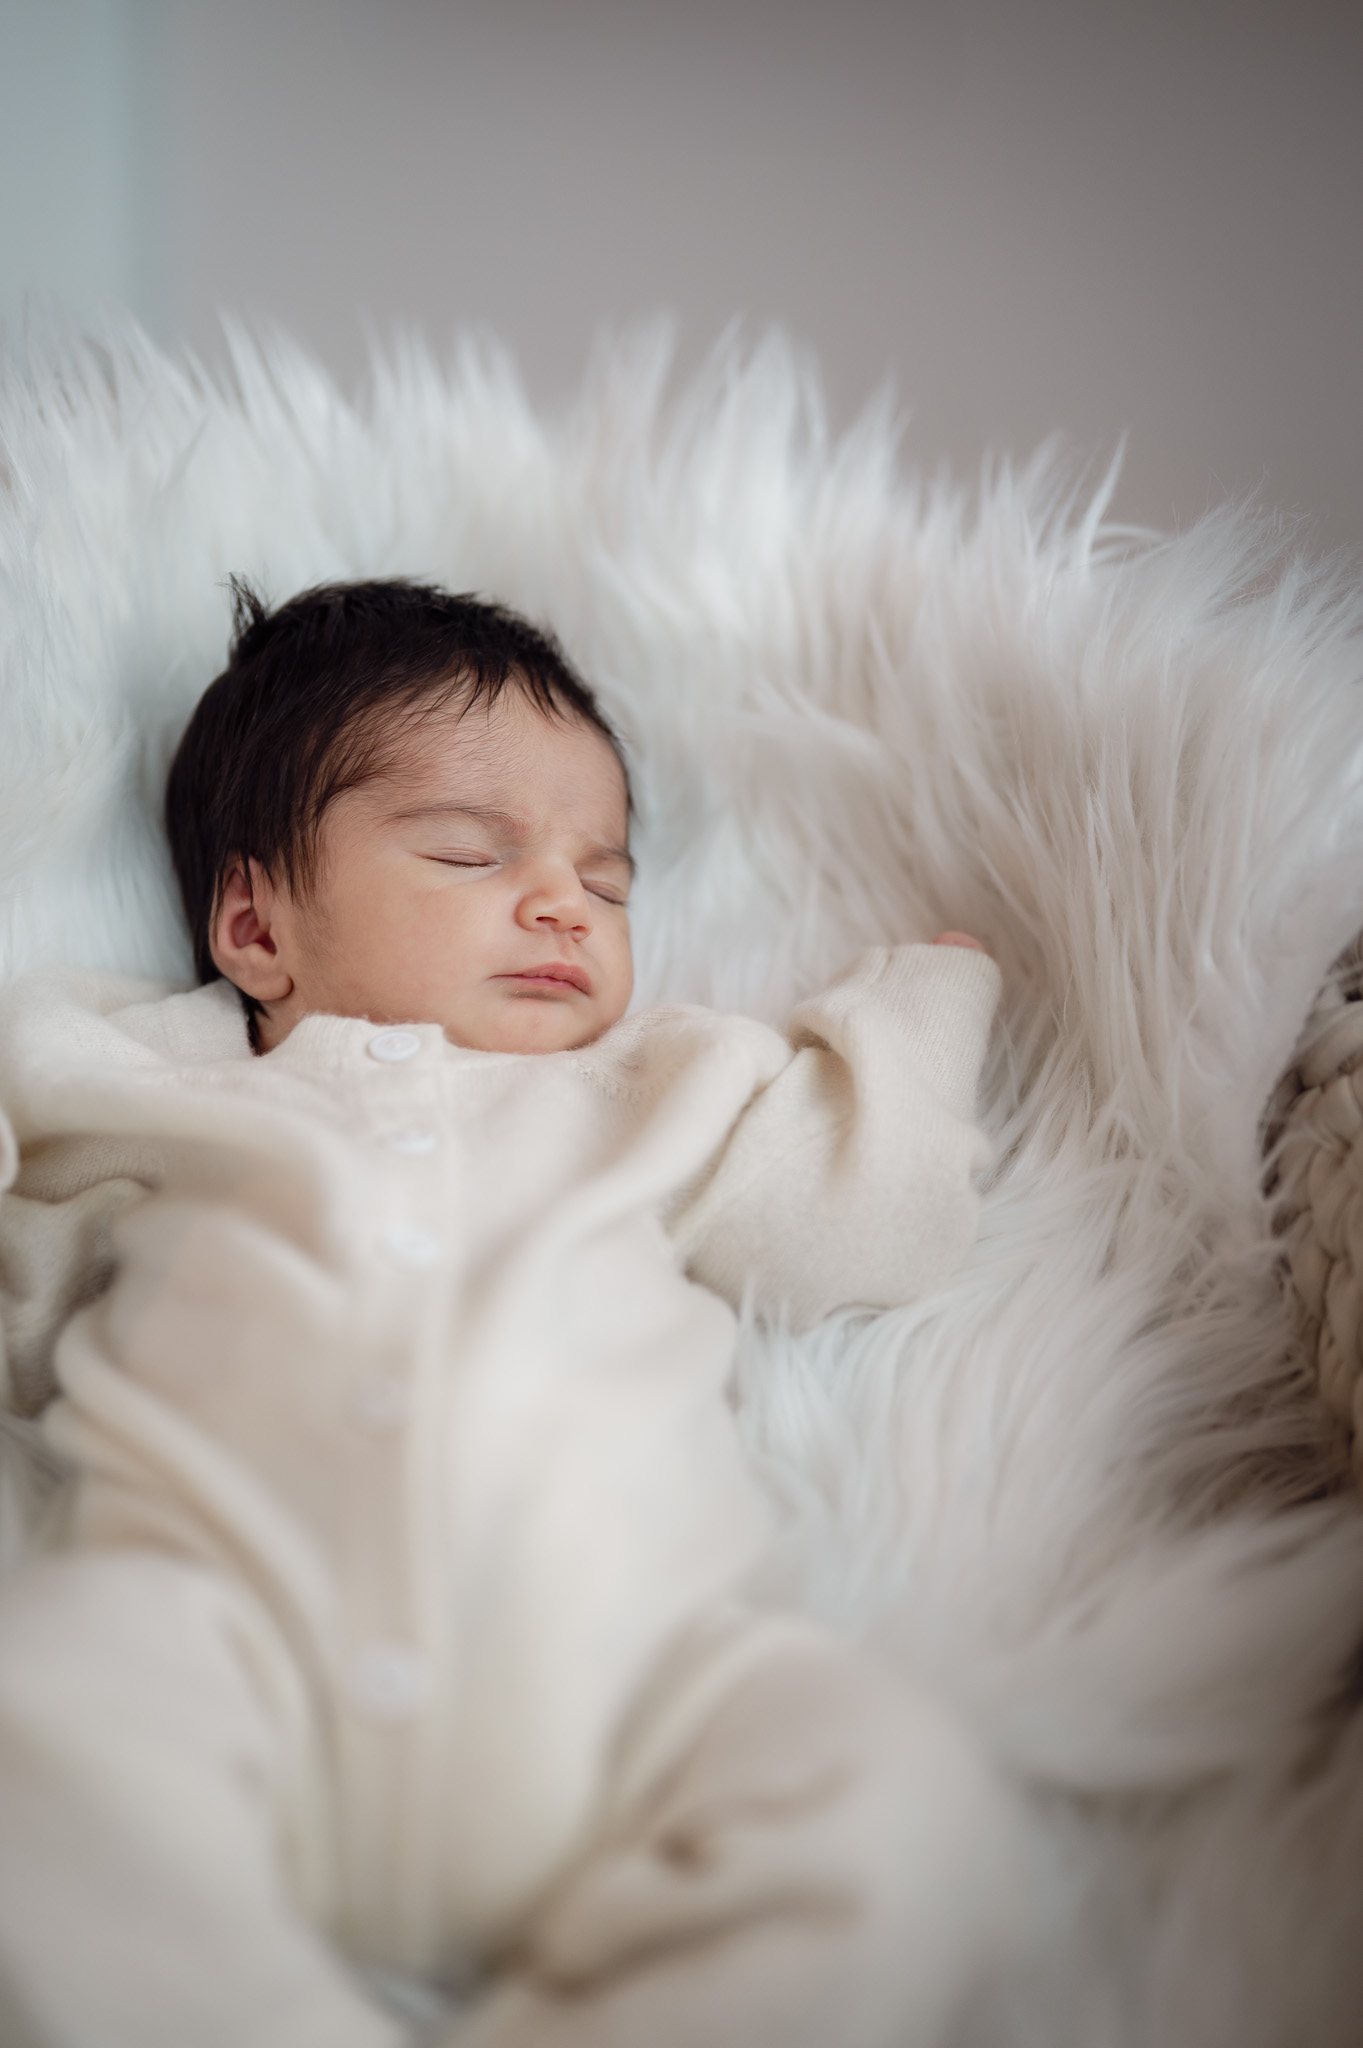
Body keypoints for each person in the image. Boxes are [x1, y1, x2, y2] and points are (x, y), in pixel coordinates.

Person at [0, 581, 1030, 2047]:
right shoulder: (145, 1080)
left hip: (630, 1688)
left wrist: (925, 1009)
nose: (563, 903)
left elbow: (870, 1215)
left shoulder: (656, 1087)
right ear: (254, 923)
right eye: (469, 854)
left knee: (909, 1806)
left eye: (606, 883)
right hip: (224, 1643)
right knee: (37, 1720)